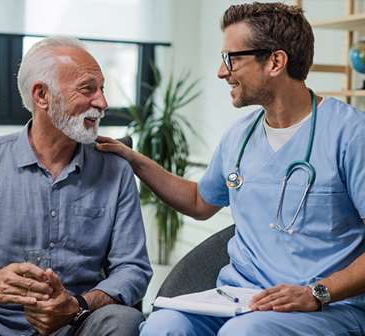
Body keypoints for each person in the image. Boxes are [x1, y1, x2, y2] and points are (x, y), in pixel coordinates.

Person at [96, 2, 365, 335]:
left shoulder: (351, 134)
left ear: (276, 62)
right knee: (161, 326)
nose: (222, 72)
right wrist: (135, 159)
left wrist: (318, 292)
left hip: (324, 307)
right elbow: (199, 202)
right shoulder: (240, 135)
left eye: (232, 59)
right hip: (238, 299)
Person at [0, 35, 152, 336]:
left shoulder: (116, 170)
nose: (102, 102)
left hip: (75, 322)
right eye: (88, 89)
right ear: (42, 96)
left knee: (125, 321)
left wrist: (78, 305)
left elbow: (133, 268)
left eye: (101, 89)